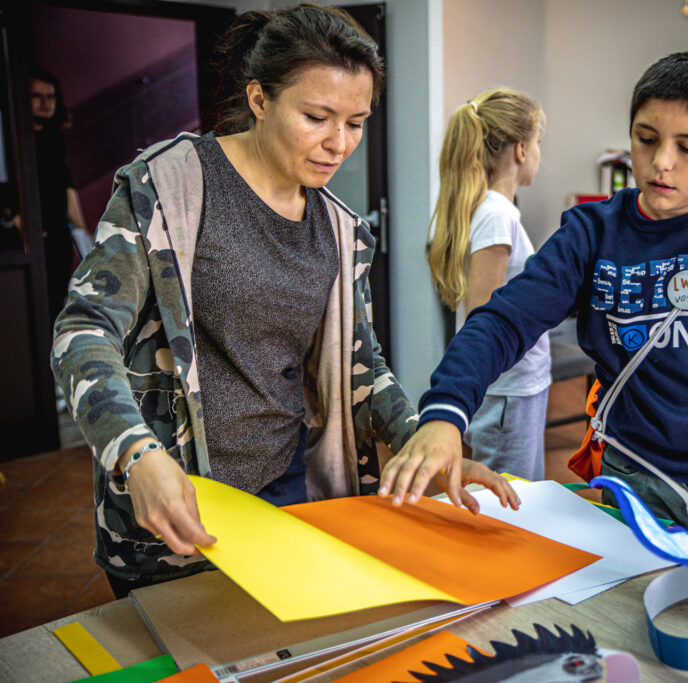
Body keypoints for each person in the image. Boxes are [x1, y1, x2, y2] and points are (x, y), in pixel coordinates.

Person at [51, 4, 516, 599]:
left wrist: (419, 443)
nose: (338, 143)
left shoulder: (340, 232)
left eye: (356, 122)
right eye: (317, 116)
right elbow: (84, 330)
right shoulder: (168, 188)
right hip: (172, 502)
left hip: (283, 493)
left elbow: (361, 369)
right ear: (260, 99)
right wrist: (136, 454)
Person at [381, 52, 688, 570]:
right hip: (639, 480)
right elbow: (503, 319)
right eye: (646, 139)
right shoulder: (591, 232)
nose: (661, 161)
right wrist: (445, 412)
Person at [427, 89, 551, 481]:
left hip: (515, 388)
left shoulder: (496, 211)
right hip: (508, 392)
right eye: (537, 145)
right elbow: (483, 316)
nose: (539, 156)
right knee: (508, 503)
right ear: (519, 149)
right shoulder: (497, 216)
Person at [24, 68, 88, 328]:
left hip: (57, 238)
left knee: (55, 307)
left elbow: (67, 188)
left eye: (50, 97)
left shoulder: (54, 137)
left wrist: (86, 235)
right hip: (31, 239)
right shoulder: (19, 140)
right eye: (37, 96)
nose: (44, 103)